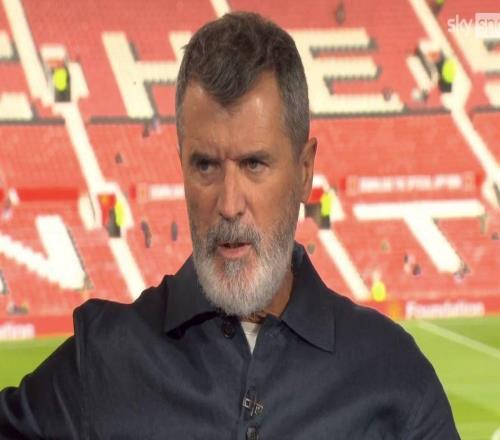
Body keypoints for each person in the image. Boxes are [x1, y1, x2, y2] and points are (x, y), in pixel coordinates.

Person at [0, 12, 459, 439]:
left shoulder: (393, 376)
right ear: (181, 166)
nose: (229, 204)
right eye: (205, 165)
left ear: (304, 172)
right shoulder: (103, 358)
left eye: (254, 164)